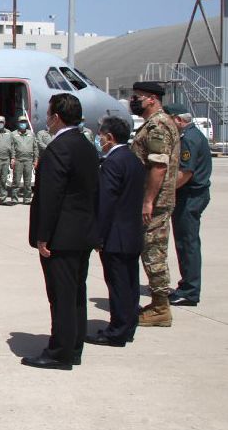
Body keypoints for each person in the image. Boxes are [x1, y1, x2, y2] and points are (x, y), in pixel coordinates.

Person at [23, 93, 100, 370]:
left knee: (61, 296)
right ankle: (74, 347)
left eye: (49, 114)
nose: (47, 119)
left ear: (56, 117)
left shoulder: (59, 149)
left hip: (62, 236)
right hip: (83, 234)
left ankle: (60, 352)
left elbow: (50, 197)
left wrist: (43, 236)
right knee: (77, 293)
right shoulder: (86, 146)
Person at [87, 116, 145, 347]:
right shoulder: (133, 159)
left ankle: (117, 331)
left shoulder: (113, 162)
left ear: (110, 137)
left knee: (118, 284)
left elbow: (106, 202)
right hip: (132, 232)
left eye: (101, 135)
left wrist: (98, 235)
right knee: (130, 283)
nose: (99, 139)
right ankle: (128, 326)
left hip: (116, 235)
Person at [130, 81, 181, 327]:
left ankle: (161, 307)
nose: (134, 100)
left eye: (138, 97)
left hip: (156, 203)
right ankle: (158, 304)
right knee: (151, 250)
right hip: (154, 200)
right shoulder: (153, 124)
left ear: (151, 99)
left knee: (153, 252)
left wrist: (148, 201)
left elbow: (159, 166)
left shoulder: (158, 125)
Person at [166, 104, 212, 307]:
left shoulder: (189, 139)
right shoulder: (190, 136)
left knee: (188, 244)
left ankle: (190, 290)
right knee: (186, 243)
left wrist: (164, 192)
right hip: (191, 195)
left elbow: (185, 173)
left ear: (178, 120)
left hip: (190, 196)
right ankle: (187, 284)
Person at [10, 116, 37, 204]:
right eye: (21, 122)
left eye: (24, 122)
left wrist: (35, 159)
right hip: (18, 160)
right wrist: (12, 158)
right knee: (16, 181)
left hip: (28, 160)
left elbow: (35, 147)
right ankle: (14, 199)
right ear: (18, 123)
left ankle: (27, 199)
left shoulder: (31, 134)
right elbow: (12, 147)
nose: (23, 124)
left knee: (28, 181)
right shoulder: (13, 134)